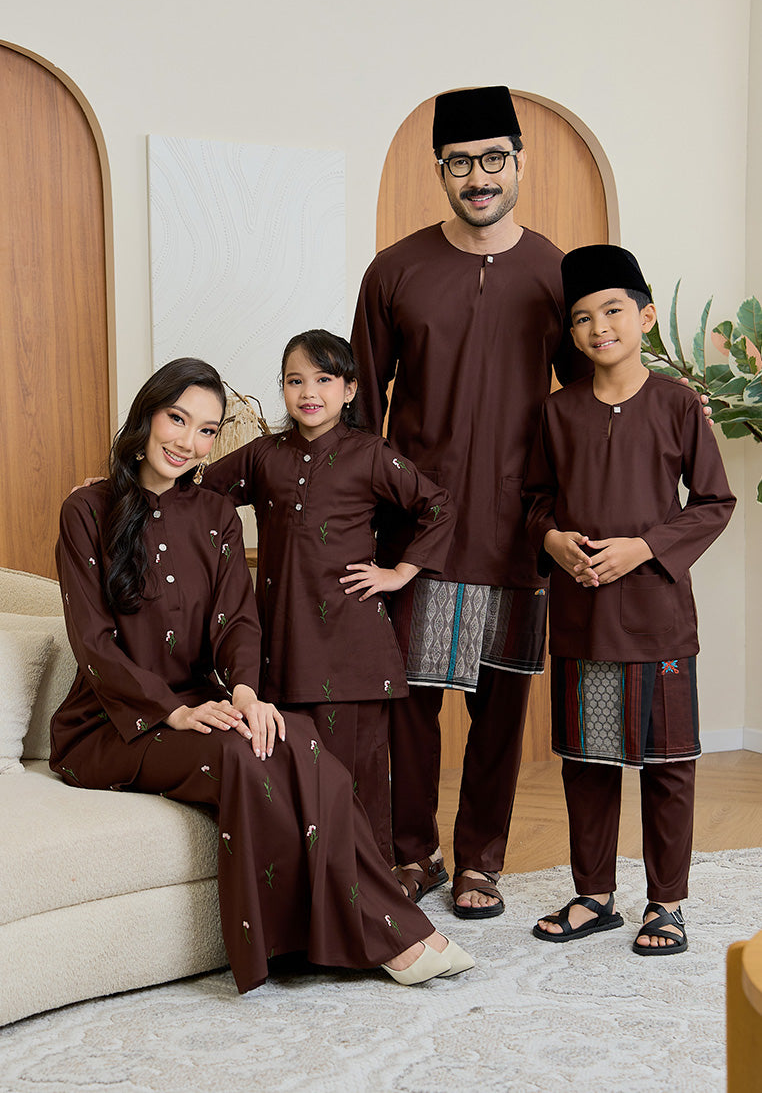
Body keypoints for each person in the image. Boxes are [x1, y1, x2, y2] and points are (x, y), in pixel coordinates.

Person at [50, 357, 473, 991]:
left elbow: (236, 622)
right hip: (111, 725)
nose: (188, 442)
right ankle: (391, 937)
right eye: (176, 419)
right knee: (244, 757)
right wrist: (173, 710)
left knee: (297, 737)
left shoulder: (217, 516)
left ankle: (357, 932)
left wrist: (245, 691)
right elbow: (93, 643)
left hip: (201, 702)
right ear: (146, 417)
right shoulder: (87, 509)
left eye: (207, 431)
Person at [350, 84, 591, 917]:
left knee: (500, 707)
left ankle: (481, 861)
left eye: (494, 160)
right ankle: (413, 854)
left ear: (518, 162)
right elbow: (358, 408)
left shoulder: (556, 272)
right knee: (409, 706)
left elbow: (590, 395)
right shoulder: (396, 270)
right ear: (441, 173)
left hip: (520, 526)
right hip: (416, 529)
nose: (479, 177)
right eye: (461, 163)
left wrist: (667, 412)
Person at [523, 245, 735, 953]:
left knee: (668, 764)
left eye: (613, 311)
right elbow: (534, 501)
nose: (598, 327)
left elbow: (713, 502)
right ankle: (595, 896)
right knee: (588, 759)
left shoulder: (678, 403)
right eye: (582, 318)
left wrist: (642, 547)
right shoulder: (556, 412)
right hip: (581, 618)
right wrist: (552, 540)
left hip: (658, 619)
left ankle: (666, 903)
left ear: (644, 315)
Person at [203, 330, 454, 862]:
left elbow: (438, 507)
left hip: (353, 652)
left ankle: (374, 896)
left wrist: (399, 572)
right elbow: (197, 492)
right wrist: (121, 488)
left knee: (357, 782)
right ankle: (310, 903)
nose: (308, 391)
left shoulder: (371, 455)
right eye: (295, 380)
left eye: (323, 379)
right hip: (282, 651)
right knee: (292, 780)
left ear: (349, 390)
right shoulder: (264, 455)